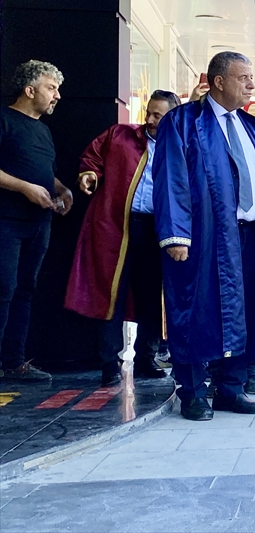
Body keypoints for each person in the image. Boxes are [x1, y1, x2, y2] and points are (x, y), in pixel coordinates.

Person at [154, 51, 255, 421]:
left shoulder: (250, 126)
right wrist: (176, 235)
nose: (252, 85)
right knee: (195, 310)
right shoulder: (182, 121)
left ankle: (231, 388)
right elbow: (171, 178)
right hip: (203, 236)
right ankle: (193, 392)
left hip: (250, 236)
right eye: (244, 78)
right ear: (218, 81)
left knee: (244, 310)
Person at [66, 89, 180, 386]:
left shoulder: (181, 149)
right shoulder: (120, 135)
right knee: (111, 294)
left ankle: (146, 358)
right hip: (116, 227)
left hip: (158, 230)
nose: (150, 120)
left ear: (173, 117)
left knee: (152, 296)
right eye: (149, 113)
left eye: (158, 115)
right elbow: (92, 158)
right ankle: (109, 362)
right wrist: (89, 174)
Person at [0, 61, 72, 381]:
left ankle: (13, 362)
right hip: (6, 221)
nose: (57, 96)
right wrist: (24, 188)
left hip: (39, 223)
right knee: (3, 289)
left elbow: (44, 172)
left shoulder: (43, 130)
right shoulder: (4, 120)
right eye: (51, 88)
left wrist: (62, 190)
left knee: (25, 290)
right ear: (30, 90)